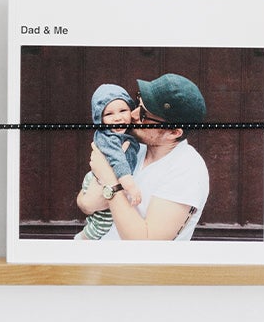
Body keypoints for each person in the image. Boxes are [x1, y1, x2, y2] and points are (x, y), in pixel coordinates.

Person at [79, 73, 210, 241]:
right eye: (137, 103)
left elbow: (145, 243)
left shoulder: (187, 168)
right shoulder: (134, 146)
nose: (132, 115)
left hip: (131, 266)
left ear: (173, 132)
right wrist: (90, 201)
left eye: (143, 114)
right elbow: (85, 203)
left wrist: (109, 179)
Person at [74, 84, 141, 241]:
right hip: (98, 180)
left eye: (123, 111)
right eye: (109, 114)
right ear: (100, 119)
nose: (117, 117)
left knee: (103, 219)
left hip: (109, 179)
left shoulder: (125, 134)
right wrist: (130, 186)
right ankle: (81, 240)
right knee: (102, 223)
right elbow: (118, 161)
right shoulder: (108, 138)